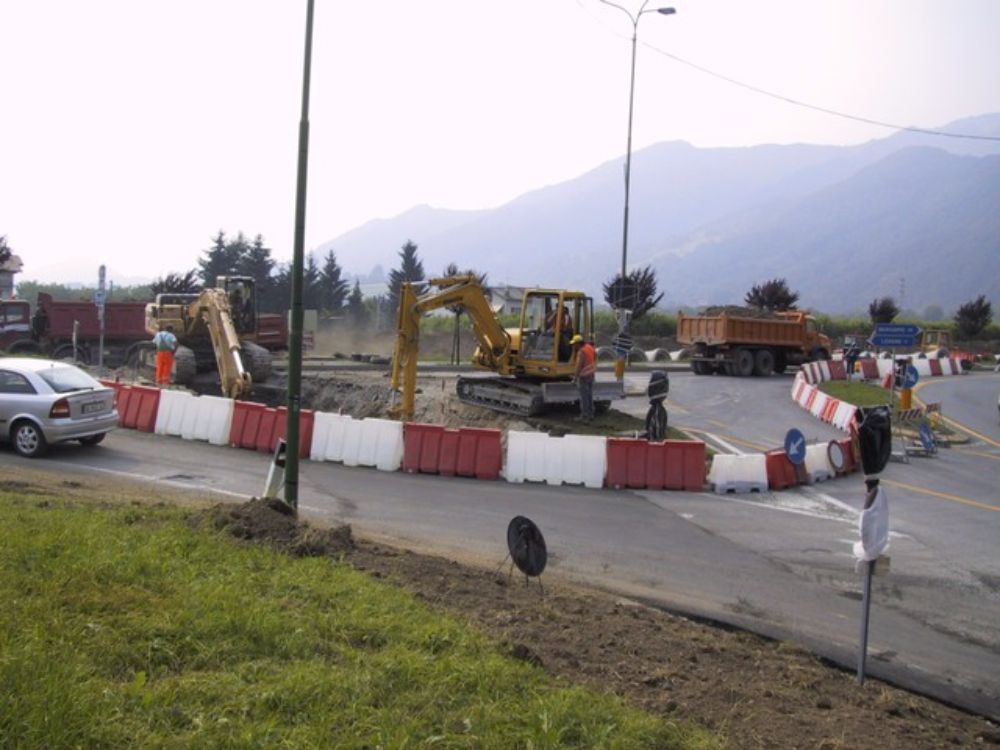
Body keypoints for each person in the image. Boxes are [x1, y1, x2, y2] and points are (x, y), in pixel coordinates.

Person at [571, 333, 597, 422]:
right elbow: (594, 359)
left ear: (578, 343)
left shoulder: (581, 351)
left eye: (574, 344)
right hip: (591, 375)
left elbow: (578, 366)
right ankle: (591, 414)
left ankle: (584, 416)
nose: (574, 346)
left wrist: (575, 378)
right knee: (589, 395)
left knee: (584, 397)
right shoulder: (590, 348)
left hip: (584, 377)